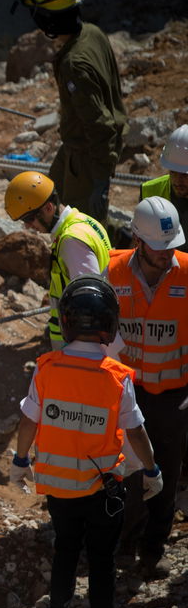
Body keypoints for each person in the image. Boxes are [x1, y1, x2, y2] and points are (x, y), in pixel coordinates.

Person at [10, 276, 162, 608]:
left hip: (59, 489)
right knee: (101, 561)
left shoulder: (47, 368)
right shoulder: (115, 377)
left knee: (64, 553)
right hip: (101, 490)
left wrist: (19, 460)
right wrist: (152, 469)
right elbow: (136, 431)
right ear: (109, 326)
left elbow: (29, 420)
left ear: (66, 322)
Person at [105, 197, 184, 581]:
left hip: (174, 396)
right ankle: (124, 544)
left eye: (173, 247)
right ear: (138, 239)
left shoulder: (186, 273)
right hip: (127, 392)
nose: (167, 255)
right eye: (159, 248)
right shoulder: (112, 271)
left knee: (166, 474)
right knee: (129, 474)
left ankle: (154, 550)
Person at [12, 0, 127, 228]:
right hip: (77, 147)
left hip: (89, 154)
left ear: (46, 19)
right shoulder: (92, 33)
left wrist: (100, 180)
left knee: (82, 225)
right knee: (48, 199)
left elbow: (99, 124)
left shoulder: (74, 64)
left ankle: (110, 259)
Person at [4, 170, 111, 348]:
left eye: (30, 219)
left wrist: (81, 353)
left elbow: (92, 305)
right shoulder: (84, 221)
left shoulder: (71, 241)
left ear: (48, 208)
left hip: (80, 346)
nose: (28, 226)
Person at [138, 124, 188, 244]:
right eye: (173, 172)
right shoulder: (151, 192)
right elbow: (140, 241)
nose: (177, 181)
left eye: (185, 175)